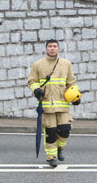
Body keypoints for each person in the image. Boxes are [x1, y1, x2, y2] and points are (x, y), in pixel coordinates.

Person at [28, 39, 80, 167]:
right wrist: (36, 90)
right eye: (50, 46)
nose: (52, 48)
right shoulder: (38, 64)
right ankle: (51, 157)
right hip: (47, 105)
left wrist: (76, 96)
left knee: (65, 130)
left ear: (58, 49)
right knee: (50, 133)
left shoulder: (66, 64)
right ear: (46, 49)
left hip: (62, 104)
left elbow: (71, 82)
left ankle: (60, 149)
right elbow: (31, 81)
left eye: (54, 46)